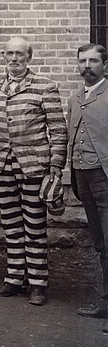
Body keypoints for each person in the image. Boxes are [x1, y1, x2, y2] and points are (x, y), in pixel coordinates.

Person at [0, 37, 67, 306]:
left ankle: (38, 284)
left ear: (29, 57)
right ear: (3, 56)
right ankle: (13, 280)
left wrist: (55, 166)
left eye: (19, 54)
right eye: (9, 53)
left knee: (34, 226)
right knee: (10, 225)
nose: (14, 59)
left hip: (34, 167)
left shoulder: (45, 87)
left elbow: (57, 129)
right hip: (2, 167)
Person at [68, 43, 108, 332]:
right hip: (82, 176)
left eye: (93, 61)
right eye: (83, 61)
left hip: (104, 176)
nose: (87, 66)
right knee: (100, 243)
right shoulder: (75, 98)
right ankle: (105, 302)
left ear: (104, 65)